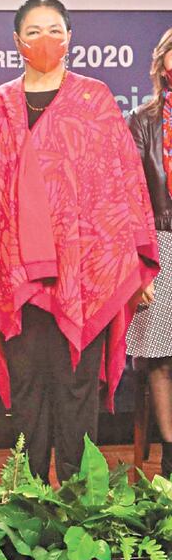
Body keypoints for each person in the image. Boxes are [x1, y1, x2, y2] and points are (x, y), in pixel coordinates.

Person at [0, 0, 159, 482]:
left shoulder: (95, 101)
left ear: (70, 38)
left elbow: (123, 184)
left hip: (84, 272)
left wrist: (135, 263)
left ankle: (76, 498)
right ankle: (27, 498)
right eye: (33, 31)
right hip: (17, 273)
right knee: (28, 385)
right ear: (17, 42)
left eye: (54, 29)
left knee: (76, 385)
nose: (44, 40)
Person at [126, 28, 172, 476]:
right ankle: (171, 458)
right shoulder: (143, 120)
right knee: (160, 354)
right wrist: (141, 265)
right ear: (162, 65)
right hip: (160, 243)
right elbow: (131, 194)